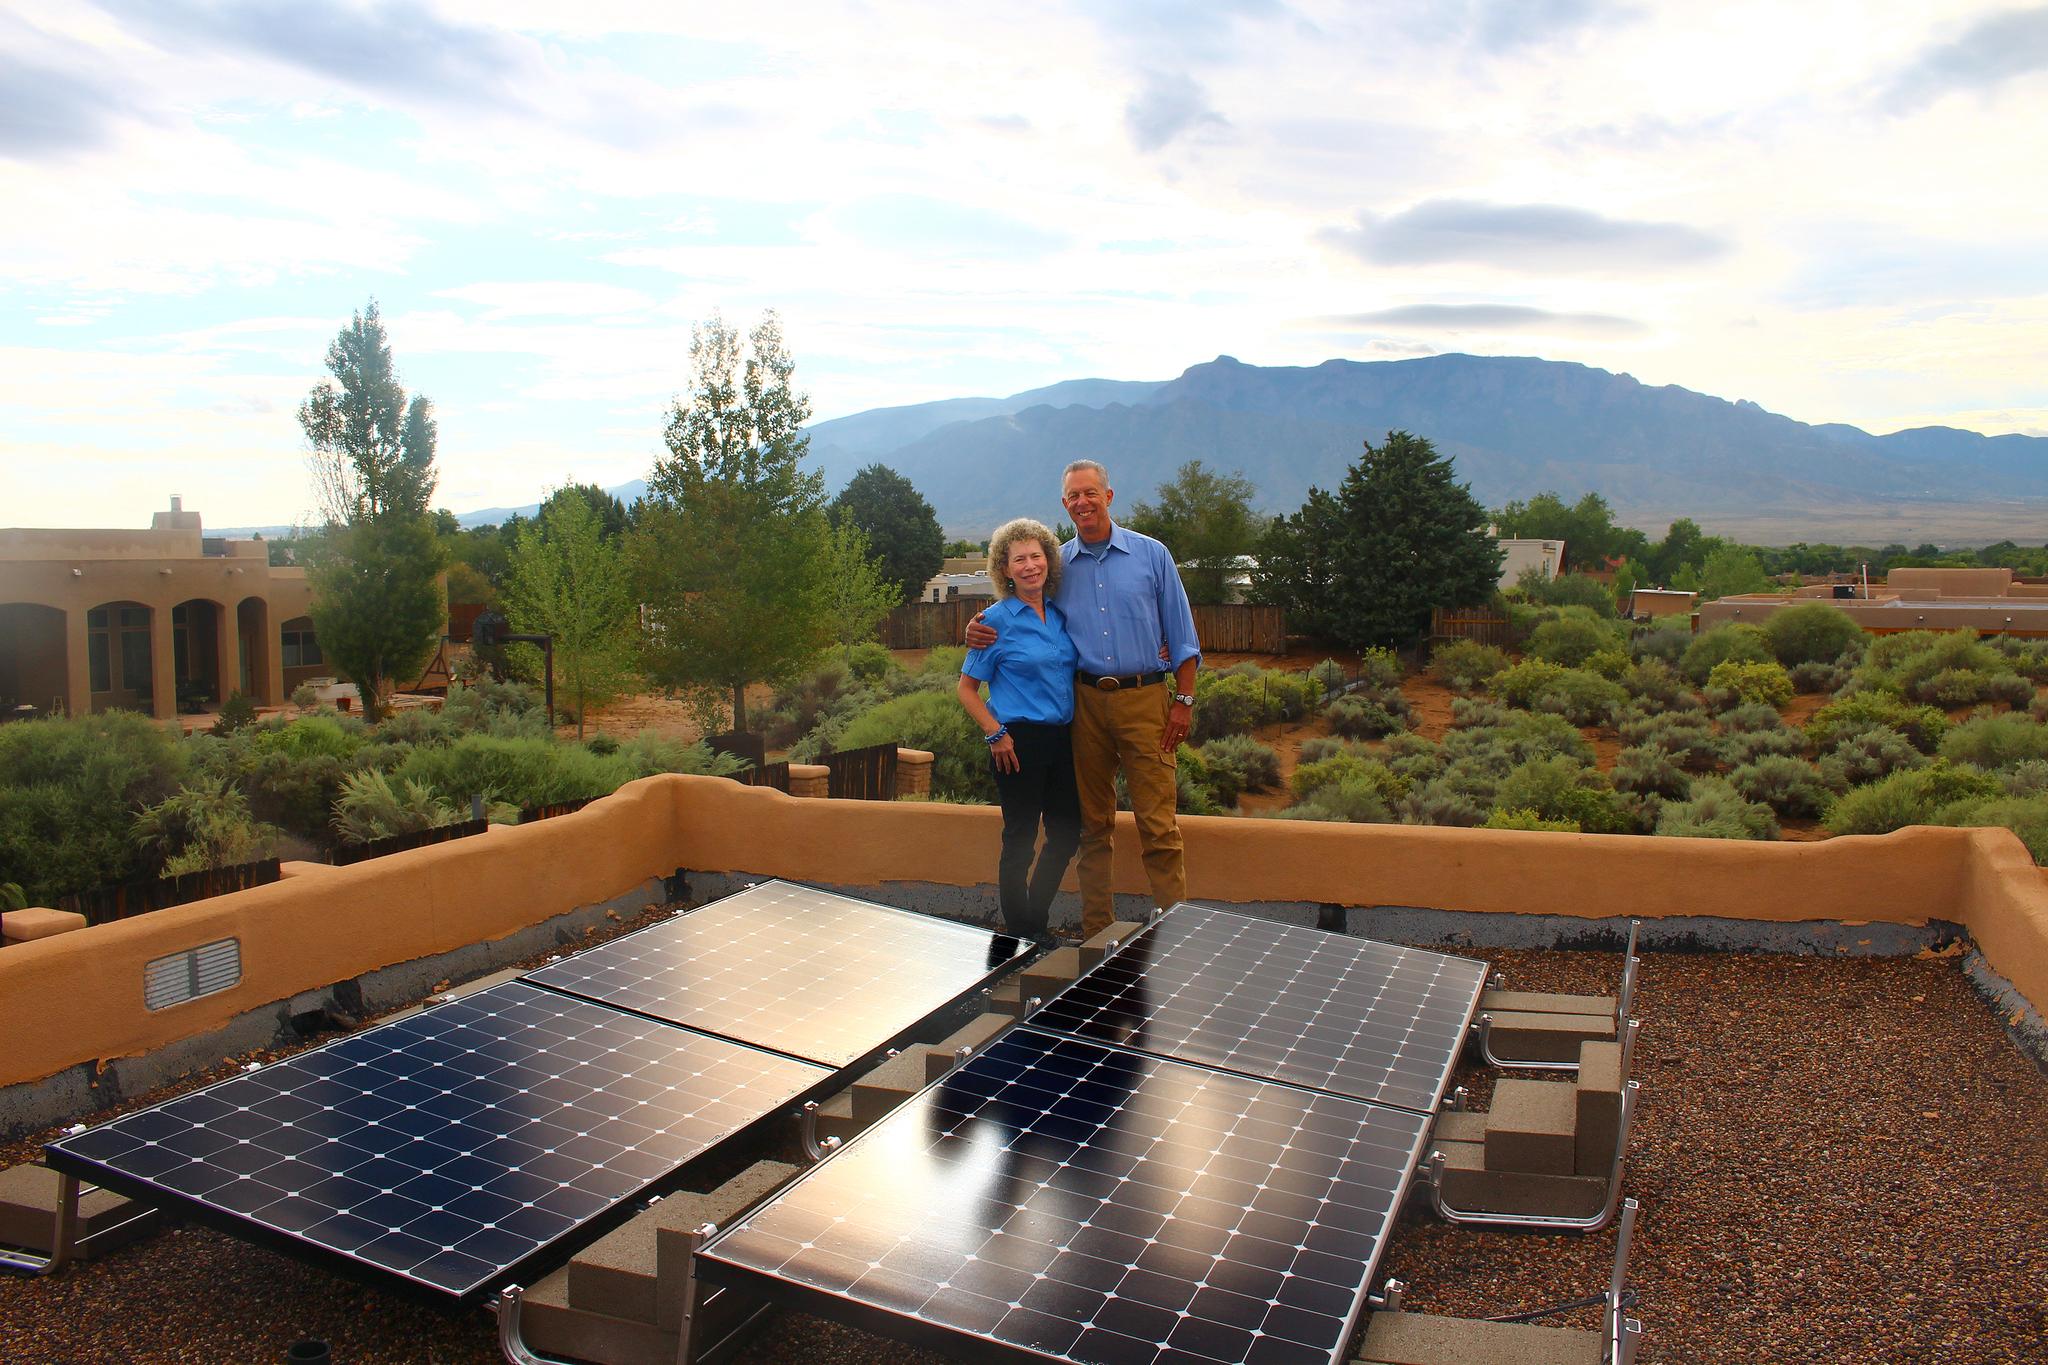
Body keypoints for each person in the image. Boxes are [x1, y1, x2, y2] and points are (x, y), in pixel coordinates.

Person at [965, 460, 1201, 938]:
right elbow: (1017, 611)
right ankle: (1098, 935)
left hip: (1146, 700)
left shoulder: (1152, 555)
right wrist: (973, 628)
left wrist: (1185, 699)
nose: (1083, 502)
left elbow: (1182, 636)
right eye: (1073, 496)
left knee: (1158, 825)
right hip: (1085, 705)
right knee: (1093, 827)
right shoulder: (1059, 568)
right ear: (1065, 504)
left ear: (1108, 496)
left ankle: (1175, 933)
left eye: (1090, 492)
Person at [957, 518, 1082, 945]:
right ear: (1005, 570)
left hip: (1063, 740)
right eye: (1019, 560)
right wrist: (995, 734)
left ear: (1048, 561)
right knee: (1020, 839)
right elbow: (967, 689)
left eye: (1036, 556)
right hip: (1016, 742)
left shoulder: (1061, 616)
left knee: (1065, 833)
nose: (1030, 566)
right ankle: (1021, 931)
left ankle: (1035, 916)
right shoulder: (994, 622)